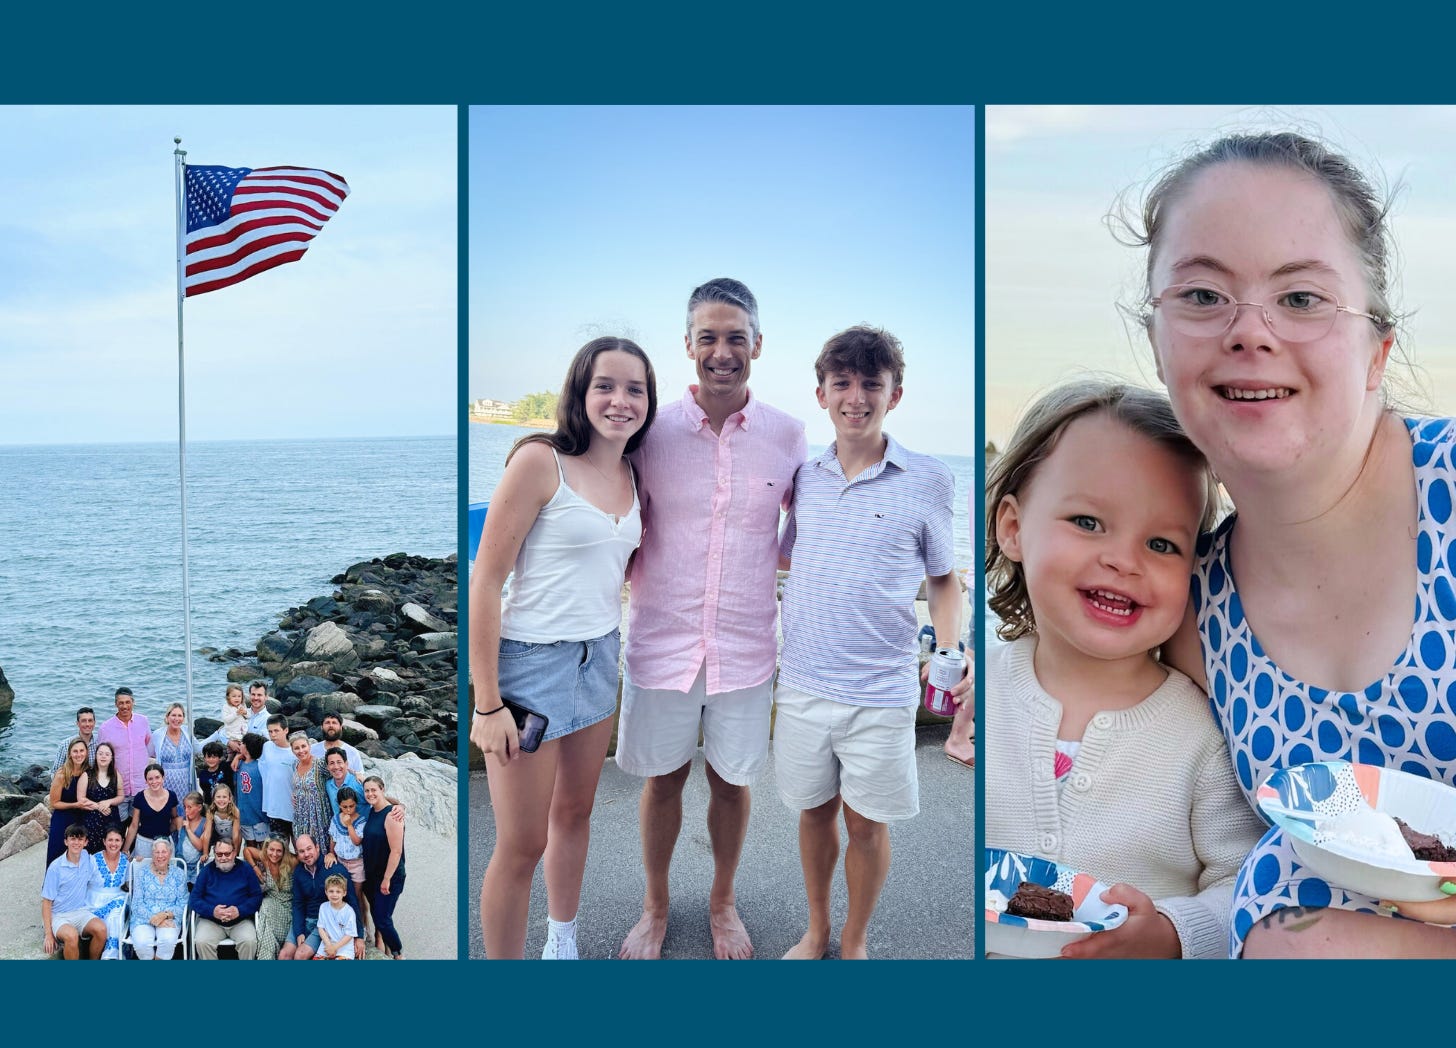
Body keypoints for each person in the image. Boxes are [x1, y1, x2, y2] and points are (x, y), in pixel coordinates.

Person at [1117, 129, 1456, 958]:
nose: (1248, 331)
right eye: (1201, 296)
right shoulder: (1194, 604)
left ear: (1377, 349)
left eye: (1301, 298)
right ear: (1156, 342)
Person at [984, 381, 1267, 957]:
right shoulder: (984, 692)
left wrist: (1173, 932)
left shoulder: (1204, 733)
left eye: (1163, 544)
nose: (1123, 560)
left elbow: (1246, 882)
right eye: (1088, 522)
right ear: (1012, 528)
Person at [616, 278, 807, 961]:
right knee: (661, 780)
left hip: (747, 647)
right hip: (660, 642)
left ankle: (723, 902)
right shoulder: (649, 430)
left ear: (757, 344)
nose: (721, 352)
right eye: (707, 338)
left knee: (732, 781)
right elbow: (612, 514)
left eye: (735, 338)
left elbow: (803, 535)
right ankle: (655, 904)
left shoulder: (789, 434)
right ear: (687, 346)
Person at [775, 325, 971, 960]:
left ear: (896, 394)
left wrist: (951, 649)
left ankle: (855, 940)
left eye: (870, 383)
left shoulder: (928, 479)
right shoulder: (803, 478)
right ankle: (817, 930)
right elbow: (786, 561)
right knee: (812, 812)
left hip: (881, 689)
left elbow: (945, 580)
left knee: (865, 823)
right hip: (801, 680)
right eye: (842, 383)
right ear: (821, 393)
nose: (854, 397)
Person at [471, 335, 655, 961]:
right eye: (605, 385)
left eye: (635, 388)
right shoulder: (538, 460)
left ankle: (563, 940)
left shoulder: (635, 472)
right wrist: (487, 702)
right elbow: (486, 581)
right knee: (521, 845)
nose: (620, 400)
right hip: (531, 670)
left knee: (574, 815)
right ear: (580, 391)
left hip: (601, 658)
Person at [289, 832, 364, 961]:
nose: (306, 854)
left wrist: (360, 937)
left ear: (317, 847)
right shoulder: (299, 872)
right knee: (284, 955)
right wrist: (299, 931)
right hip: (305, 920)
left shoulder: (334, 869)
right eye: (301, 851)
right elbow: (298, 904)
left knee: (300, 955)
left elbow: (352, 901)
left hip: (322, 923)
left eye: (309, 849)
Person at [41, 823, 106, 959]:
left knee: (101, 929)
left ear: (86, 842)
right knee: (71, 936)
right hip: (59, 916)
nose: (76, 843)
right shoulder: (55, 868)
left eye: (80, 839)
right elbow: (46, 902)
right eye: (72, 838)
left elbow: (101, 876)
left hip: (80, 911)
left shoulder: (87, 858)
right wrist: (48, 934)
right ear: (66, 841)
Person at [190, 837, 262, 959]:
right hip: (211, 921)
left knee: (249, 941)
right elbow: (194, 899)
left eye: (227, 854)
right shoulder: (207, 871)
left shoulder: (246, 869)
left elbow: (257, 896)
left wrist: (240, 910)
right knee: (202, 941)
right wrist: (212, 911)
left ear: (234, 853)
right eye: (219, 854)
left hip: (241, 920)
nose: (223, 858)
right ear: (214, 853)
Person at [361, 775, 406, 959]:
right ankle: (386, 945)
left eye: (374, 790)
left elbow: (396, 851)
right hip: (371, 875)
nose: (370, 793)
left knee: (382, 918)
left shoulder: (392, 815)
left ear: (382, 789)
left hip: (390, 876)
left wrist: (387, 879)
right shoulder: (372, 810)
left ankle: (398, 953)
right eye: (367, 790)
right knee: (376, 911)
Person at [97, 687, 150, 824]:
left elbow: (148, 745)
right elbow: (101, 758)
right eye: (121, 703)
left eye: (128, 702)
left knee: (138, 827)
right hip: (118, 788)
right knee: (117, 827)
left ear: (133, 702)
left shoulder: (143, 721)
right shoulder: (106, 728)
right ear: (116, 704)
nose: (125, 706)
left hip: (141, 786)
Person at [129, 836, 188, 960]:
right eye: (157, 852)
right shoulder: (142, 873)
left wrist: (165, 915)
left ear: (170, 853)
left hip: (169, 918)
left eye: (164, 852)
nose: (160, 856)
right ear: (152, 854)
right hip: (143, 918)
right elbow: (137, 903)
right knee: (142, 942)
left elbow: (184, 901)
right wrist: (154, 918)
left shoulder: (178, 873)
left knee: (168, 940)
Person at [327, 785, 369, 936]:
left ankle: (361, 927)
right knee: (341, 894)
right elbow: (333, 839)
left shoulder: (360, 820)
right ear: (339, 805)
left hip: (356, 863)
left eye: (351, 806)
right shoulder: (335, 819)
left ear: (356, 804)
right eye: (345, 807)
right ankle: (343, 926)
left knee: (356, 896)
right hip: (341, 862)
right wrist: (331, 853)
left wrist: (349, 824)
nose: (348, 810)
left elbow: (357, 841)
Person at [246, 835, 297, 960]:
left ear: (284, 851)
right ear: (266, 849)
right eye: (271, 849)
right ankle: (267, 956)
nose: (274, 854)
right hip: (271, 900)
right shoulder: (265, 858)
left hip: (289, 904)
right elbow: (247, 850)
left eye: (279, 850)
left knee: (267, 915)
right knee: (266, 907)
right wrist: (255, 867)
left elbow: (309, 859)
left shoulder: (292, 861)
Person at [85, 826, 130, 960]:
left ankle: (111, 955)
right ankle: (112, 956)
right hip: (94, 902)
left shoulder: (125, 860)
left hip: (117, 898)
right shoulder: (93, 859)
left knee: (116, 912)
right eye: (110, 840)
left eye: (117, 840)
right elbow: (82, 883)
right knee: (113, 916)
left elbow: (130, 884)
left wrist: (137, 863)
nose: (114, 844)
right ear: (104, 841)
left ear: (122, 842)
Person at [46, 738, 91, 871]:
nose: (79, 754)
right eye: (75, 751)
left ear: (87, 753)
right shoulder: (62, 774)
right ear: (69, 754)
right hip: (63, 818)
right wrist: (75, 805)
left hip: (82, 818)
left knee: (78, 855)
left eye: (82, 751)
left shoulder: (88, 772)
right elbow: (54, 803)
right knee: (57, 853)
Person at [123, 763, 179, 858]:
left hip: (165, 844)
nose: (154, 781)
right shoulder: (139, 797)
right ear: (146, 781)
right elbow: (134, 825)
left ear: (163, 777)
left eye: (157, 777)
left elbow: (174, 818)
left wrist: (166, 833)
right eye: (150, 779)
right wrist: (125, 849)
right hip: (144, 844)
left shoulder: (172, 796)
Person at [151, 701, 196, 815]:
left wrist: (218, 734)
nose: (176, 719)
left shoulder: (187, 732)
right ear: (167, 717)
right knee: (168, 811)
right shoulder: (158, 734)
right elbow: (149, 752)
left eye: (180, 715)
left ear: (183, 718)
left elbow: (199, 747)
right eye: (173, 715)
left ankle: (182, 833)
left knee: (185, 812)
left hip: (185, 781)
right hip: (166, 782)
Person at [81, 740, 125, 853]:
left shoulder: (116, 775)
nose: (103, 757)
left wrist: (109, 802)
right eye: (100, 753)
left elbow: (121, 796)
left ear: (112, 758)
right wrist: (98, 806)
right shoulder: (87, 775)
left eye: (107, 754)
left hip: (111, 820)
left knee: (111, 851)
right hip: (91, 821)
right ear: (95, 756)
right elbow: (81, 799)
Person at [289, 731, 330, 850]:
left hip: (318, 816)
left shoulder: (320, 763)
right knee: (303, 847)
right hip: (300, 815)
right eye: (296, 748)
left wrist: (357, 774)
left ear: (309, 746)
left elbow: (338, 769)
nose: (301, 750)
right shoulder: (294, 764)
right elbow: (299, 785)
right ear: (292, 750)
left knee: (319, 847)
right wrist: (294, 794)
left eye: (303, 746)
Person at [259, 715, 297, 841]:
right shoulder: (267, 747)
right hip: (274, 809)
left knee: (299, 847)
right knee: (279, 848)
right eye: (270, 731)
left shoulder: (295, 752)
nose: (273, 735)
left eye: (276, 731)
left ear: (286, 730)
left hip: (293, 809)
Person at [235, 732, 269, 860]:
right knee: (249, 844)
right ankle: (254, 869)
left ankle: (265, 870)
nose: (240, 745)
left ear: (248, 748)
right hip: (244, 815)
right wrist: (238, 757)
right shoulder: (239, 764)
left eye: (243, 743)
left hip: (259, 815)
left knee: (262, 845)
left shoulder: (261, 766)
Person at [314, 874, 358, 959]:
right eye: (331, 891)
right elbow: (321, 928)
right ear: (326, 892)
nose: (334, 895)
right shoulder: (323, 907)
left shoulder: (349, 911)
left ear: (344, 893)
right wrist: (329, 945)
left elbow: (349, 935)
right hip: (326, 946)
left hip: (344, 949)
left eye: (338, 891)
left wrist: (334, 948)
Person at [48, 706, 98, 778]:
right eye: (83, 721)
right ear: (77, 723)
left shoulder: (100, 742)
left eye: (90, 720)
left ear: (94, 722)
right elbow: (55, 772)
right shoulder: (65, 744)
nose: (87, 724)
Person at [176, 790, 211, 884]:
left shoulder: (205, 823)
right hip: (181, 865)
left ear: (199, 807)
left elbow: (200, 846)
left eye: (189, 807)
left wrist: (188, 829)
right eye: (185, 807)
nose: (186, 811)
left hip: (197, 867)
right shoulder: (180, 821)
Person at [322, 746, 364, 818]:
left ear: (346, 764)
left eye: (339, 762)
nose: (336, 767)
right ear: (327, 767)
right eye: (332, 763)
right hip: (339, 827)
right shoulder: (328, 785)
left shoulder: (358, 783)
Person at [209, 783, 242, 859]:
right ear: (214, 799)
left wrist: (235, 852)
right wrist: (205, 853)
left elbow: (235, 834)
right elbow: (207, 833)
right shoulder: (211, 811)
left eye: (224, 797)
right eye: (218, 797)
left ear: (230, 799)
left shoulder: (235, 811)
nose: (221, 800)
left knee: (239, 833)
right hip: (219, 837)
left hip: (232, 837)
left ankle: (236, 856)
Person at [197, 741, 234, 806]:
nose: (211, 759)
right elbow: (205, 792)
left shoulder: (225, 767)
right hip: (211, 806)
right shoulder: (203, 774)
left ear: (220, 758)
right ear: (204, 758)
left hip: (227, 805)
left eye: (214, 757)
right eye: (208, 757)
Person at [221, 684, 247, 756]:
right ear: (228, 697)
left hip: (242, 735)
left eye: (239, 696)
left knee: (241, 754)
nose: (237, 698)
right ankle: (229, 763)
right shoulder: (226, 707)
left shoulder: (242, 705)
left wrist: (245, 712)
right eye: (234, 696)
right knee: (231, 755)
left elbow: (248, 716)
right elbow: (226, 720)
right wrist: (236, 714)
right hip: (232, 736)